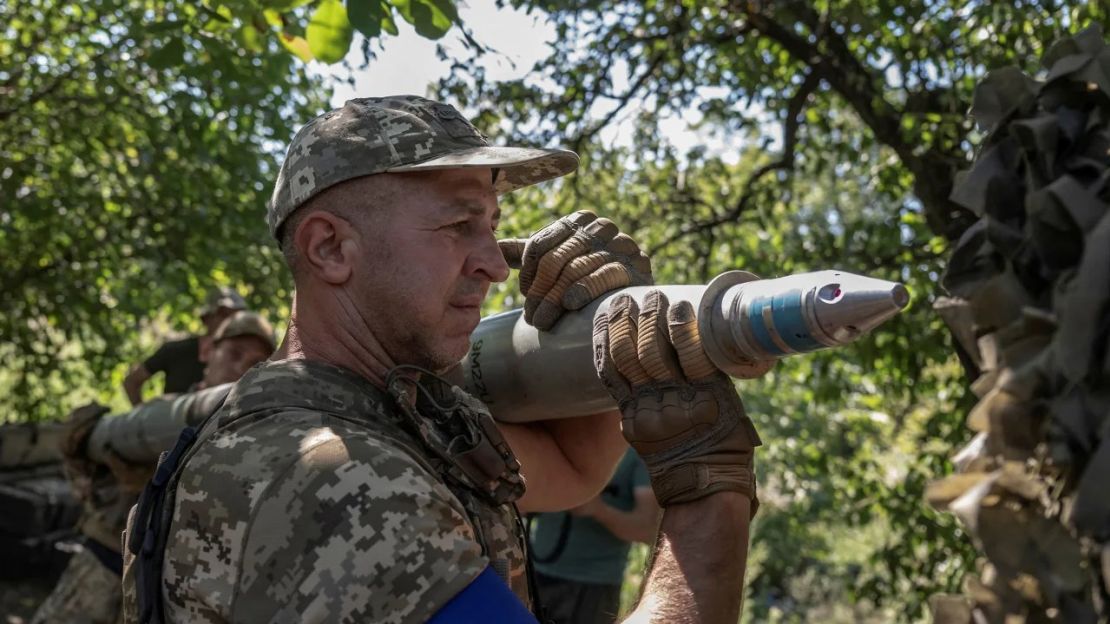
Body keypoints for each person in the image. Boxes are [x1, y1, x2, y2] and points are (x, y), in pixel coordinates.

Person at [122, 96, 761, 624]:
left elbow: (572, 471)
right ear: (330, 248)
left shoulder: (367, 415)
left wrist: (600, 329)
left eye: (491, 222)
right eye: (459, 225)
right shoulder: (339, 477)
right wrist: (708, 488)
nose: (493, 262)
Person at [31, 311, 276, 624]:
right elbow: (82, 463)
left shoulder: (259, 433)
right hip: (104, 567)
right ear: (206, 351)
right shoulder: (161, 415)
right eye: (235, 354)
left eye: (256, 362)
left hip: (170, 591)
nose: (242, 367)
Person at [529, 448, 659, 624]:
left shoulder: (637, 452)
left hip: (593, 586)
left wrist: (599, 510)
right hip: (537, 575)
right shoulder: (559, 437)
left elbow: (648, 530)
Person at [122, 287, 247, 404]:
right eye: (223, 314)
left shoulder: (248, 358)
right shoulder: (176, 351)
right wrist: (146, 421)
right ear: (206, 319)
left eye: (236, 316)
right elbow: (132, 382)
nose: (230, 321)